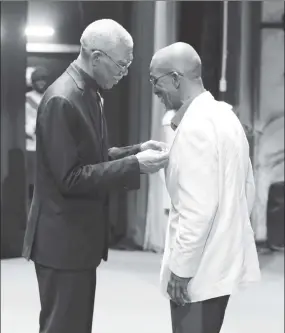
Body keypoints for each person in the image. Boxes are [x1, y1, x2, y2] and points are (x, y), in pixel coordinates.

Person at [22, 19, 168, 333]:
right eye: (121, 64)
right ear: (96, 57)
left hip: (74, 240)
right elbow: (71, 177)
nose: (124, 72)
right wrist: (134, 165)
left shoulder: (86, 91)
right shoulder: (64, 98)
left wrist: (135, 151)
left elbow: (93, 158)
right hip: (62, 243)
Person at [149, 42, 261, 333]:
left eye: (155, 81)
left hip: (199, 271)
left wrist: (181, 270)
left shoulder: (195, 127)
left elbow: (197, 209)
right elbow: (247, 190)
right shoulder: (225, 116)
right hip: (218, 263)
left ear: (175, 78)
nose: (154, 91)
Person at [25, 67, 49, 206]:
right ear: (33, 82)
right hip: (31, 145)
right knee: (31, 180)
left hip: (48, 145)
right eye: (38, 81)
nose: (41, 83)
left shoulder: (50, 96)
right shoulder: (26, 99)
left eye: (43, 80)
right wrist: (31, 128)